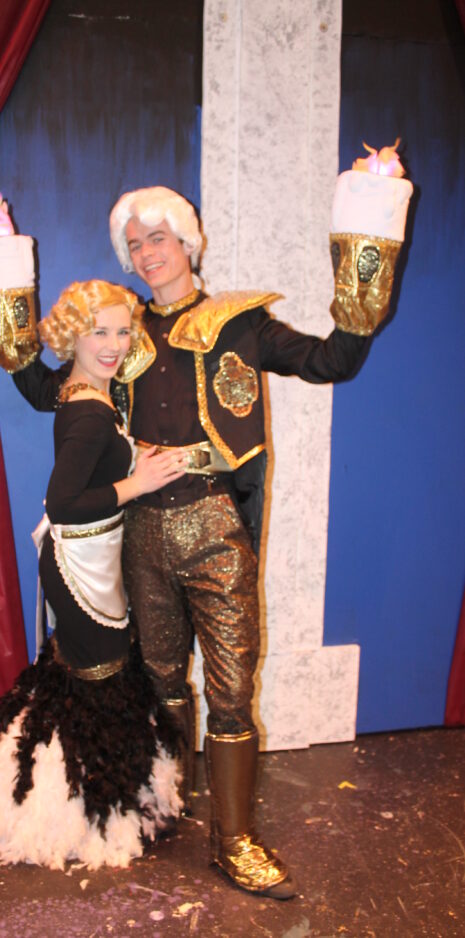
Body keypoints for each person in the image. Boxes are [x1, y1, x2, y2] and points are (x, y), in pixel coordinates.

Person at [104, 185, 377, 899]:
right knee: (161, 681)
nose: (146, 253)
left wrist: (364, 271)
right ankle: (167, 805)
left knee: (230, 692)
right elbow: (50, 389)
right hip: (141, 533)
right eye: (134, 244)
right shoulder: (118, 330)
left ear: (186, 243)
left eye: (157, 238)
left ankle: (234, 841)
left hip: (216, 529)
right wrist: (3, 308)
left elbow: (332, 362)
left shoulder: (240, 322)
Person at [0, 279, 187, 871]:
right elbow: (63, 504)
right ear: (72, 336)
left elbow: (93, 460)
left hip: (89, 559)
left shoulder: (80, 389)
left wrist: (135, 455)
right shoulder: (87, 408)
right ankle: (77, 817)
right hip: (81, 567)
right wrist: (138, 482)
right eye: (97, 331)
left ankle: (70, 802)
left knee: (89, 683)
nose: (113, 344)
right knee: (99, 683)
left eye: (122, 331)